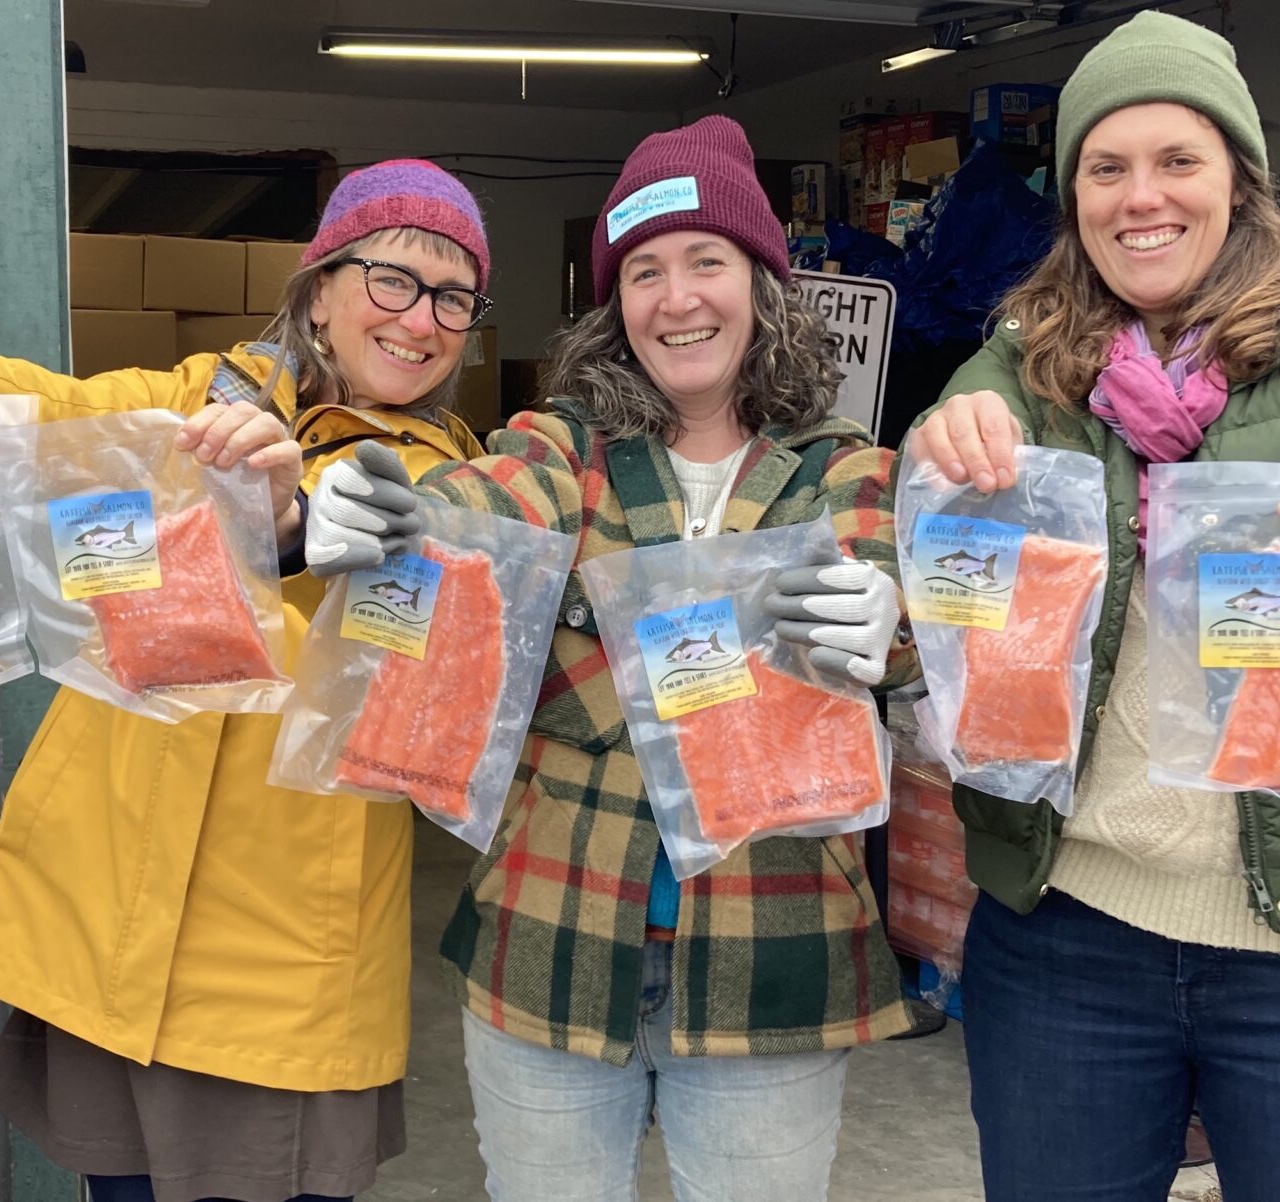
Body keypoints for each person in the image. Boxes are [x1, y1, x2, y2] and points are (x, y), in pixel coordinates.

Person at [906, 13, 1280, 1202]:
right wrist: (944, 438)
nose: (1144, 197)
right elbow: (942, 495)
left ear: (1238, 178)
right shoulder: (1023, 362)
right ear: (1073, 192)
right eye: (1106, 166)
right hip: (1068, 926)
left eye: (1178, 160)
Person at [0, 159, 496, 1202]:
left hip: (278, 948)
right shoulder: (200, 399)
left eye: (452, 294)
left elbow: (416, 601)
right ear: (319, 289)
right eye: (391, 278)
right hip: (112, 906)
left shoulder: (455, 483)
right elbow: (65, 414)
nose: (420, 317)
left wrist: (293, 528)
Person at [307, 116, 914, 1202]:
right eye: (643, 271)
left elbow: (888, 585)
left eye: (704, 262)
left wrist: (888, 624)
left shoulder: (844, 466)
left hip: (770, 954)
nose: (675, 297)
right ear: (615, 303)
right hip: (553, 930)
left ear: (762, 285)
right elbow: (488, 498)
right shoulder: (566, 446)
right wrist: (390, 502)